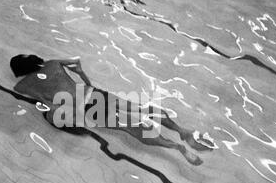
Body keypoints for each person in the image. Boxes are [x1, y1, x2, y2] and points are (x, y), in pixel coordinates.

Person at [11, 54, 213, 166]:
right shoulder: (53, 63)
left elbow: (44, 104)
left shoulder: (23, 86)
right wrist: (82, 75)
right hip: (93, 93)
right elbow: (76, 61)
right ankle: (181, 130)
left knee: (129, 127)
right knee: (141, 108)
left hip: (85, 109)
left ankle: (176, 148)